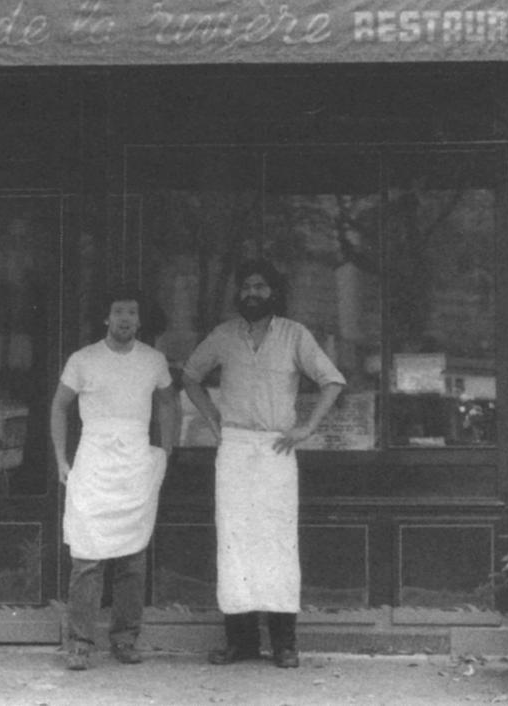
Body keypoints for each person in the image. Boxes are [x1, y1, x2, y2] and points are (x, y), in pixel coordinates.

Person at [181, 259, 345, 669]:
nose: (252, 293)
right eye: (247, 286)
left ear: (274, 293)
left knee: (277, 543)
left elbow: (333, 380)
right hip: (235, 446)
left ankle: (285, 643)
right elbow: (189, 376)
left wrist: (307, 427)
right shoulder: (224, 335)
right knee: (234, 541)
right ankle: (240, 643)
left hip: (277, 449)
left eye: (261, 287)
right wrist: (214, 420)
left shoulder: (294, 335)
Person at [50, 285, 177, 671]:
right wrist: (60, 458)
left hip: (135, 463)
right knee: (87, 558)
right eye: (118, 311)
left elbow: (170, 404)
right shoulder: (83, 360)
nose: (125, 319)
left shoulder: (153, 360)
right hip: (94, 463)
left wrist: (166, 452)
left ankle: (125, 638)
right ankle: (80, 643)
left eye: (132, 312)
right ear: (106, 317)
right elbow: (58, 406)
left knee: (132, 559)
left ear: (140, 319)